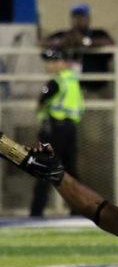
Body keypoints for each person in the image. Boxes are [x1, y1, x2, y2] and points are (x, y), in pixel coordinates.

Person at [29, 49, 83, 218]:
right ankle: (78, 207)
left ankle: (37, 210)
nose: (49, 65)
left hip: (54, 131)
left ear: (61, 62)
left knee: (44, 168)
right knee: (71, 171)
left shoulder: (57, 82)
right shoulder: (73, 81)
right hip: (70, 129)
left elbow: (41, 102)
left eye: (52, 62)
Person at [42, 3, 114, 93]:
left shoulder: (98, 33)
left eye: (82, 17)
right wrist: (61, 42)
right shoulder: (64, 35)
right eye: (75, 17)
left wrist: (85, 42)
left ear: (88, 18)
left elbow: (110, 43)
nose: (78, 20)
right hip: (68, 90)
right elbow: (43, 43)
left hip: (94, 89)